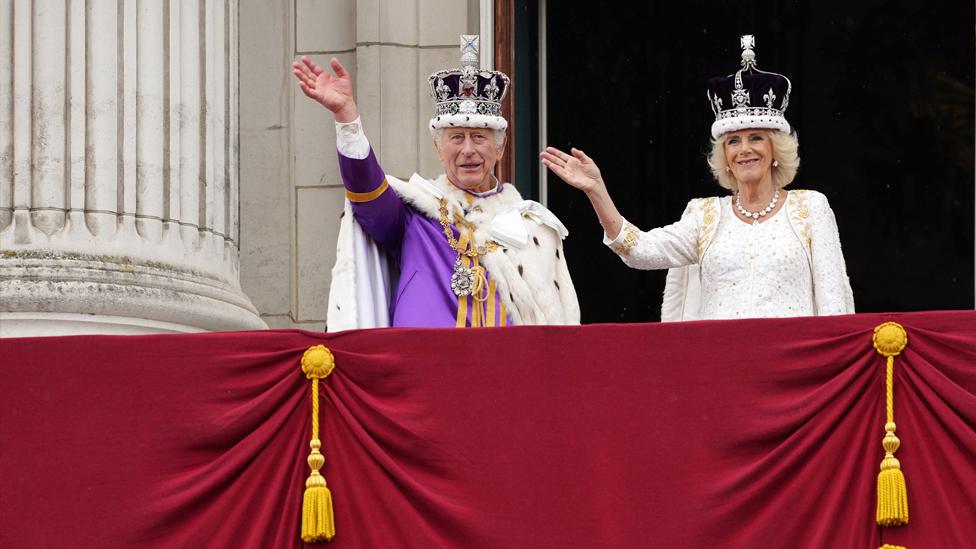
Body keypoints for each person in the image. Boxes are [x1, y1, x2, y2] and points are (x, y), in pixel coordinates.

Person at [541, 35, 854, 321]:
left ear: (776, 150)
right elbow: (639, 251)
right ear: (726, 159)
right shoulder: (705, 216)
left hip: (793, 368)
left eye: (756, 138)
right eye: (733, 141)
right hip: (720, 367)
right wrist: (597, 191)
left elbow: (833, 304)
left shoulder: (810, 208)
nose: (744, 149)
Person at [294, 35, 579, 330]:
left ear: (500, 148)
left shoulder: (534, 228)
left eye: (479, 137)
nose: (467, 150)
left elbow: (556, 329)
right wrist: (347, 119)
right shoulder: (415, 214)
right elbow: (367, 196)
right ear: (439, 149)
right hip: (423, 368)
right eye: (456, 137)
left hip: (506, 370)